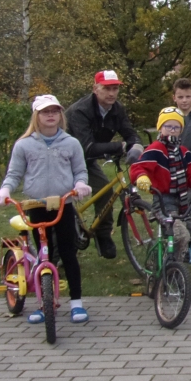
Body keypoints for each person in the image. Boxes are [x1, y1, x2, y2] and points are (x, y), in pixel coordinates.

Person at [0, 95, 93, 324]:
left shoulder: (71, 143)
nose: (50, 116)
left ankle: (76, 302)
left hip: (62, 204)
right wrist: (5, 191)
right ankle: (44, 303)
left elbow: (80, 171)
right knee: (43, 253)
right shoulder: (24, 144)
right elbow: (14, 174)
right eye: (45, 112)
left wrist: (80, 185)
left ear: (60, 115)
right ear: (36, 116)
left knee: (68, 252)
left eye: (55, 111)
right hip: (36, 206)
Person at [66, 70, 143, 259]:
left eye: (115, 88)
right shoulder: (80, 111)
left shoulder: (117, 109)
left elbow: (129, 132)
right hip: (64, 159)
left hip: (88, 161)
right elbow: (88, 147)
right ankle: (58, 251)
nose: (111, 93)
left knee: (105, 192)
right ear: (95, 89)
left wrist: (136, 146)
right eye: (106, 88)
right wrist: (121, 146)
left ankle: (102, 235)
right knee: (61, 203)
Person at [129, 108, 191, 265]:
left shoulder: (183, 152)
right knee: (179, 234)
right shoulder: (156, 149)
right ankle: (163, 264)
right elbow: (138, 166)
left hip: (183, 200)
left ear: (181, 130)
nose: (172, 131)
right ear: (160, 128)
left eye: (176, 127)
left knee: (185, 234)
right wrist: (142, 177)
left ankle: (173, 264)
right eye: (168, 126)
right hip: (163, 200)